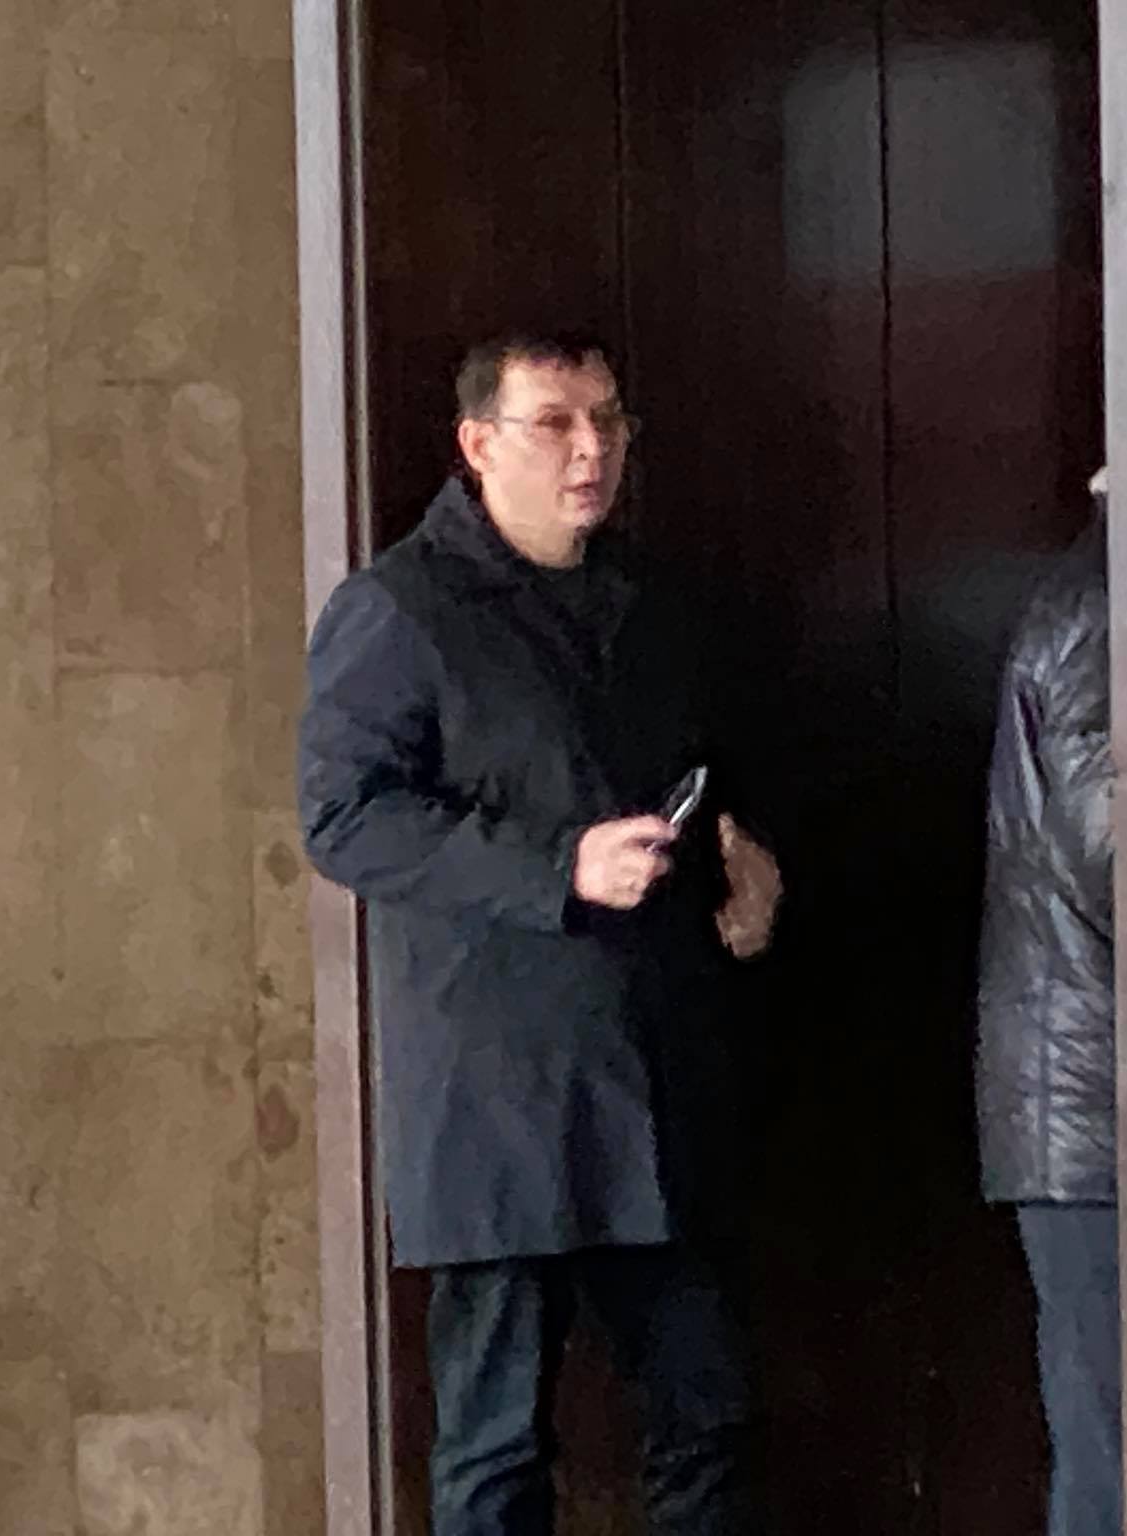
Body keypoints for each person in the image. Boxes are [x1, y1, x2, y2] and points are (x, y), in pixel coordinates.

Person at [297, 331, 782, 1536]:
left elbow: (703, 770)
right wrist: (555, 869)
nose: (589, 450)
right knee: (497, 1445)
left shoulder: (650, 602)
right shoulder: (399, 610)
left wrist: (743, 858)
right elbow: (344, 819)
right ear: (477, 443)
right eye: (554, 423)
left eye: (607, 421)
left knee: (709, 1415)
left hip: (650, 1071)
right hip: (496, 1087)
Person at [975, 466, 1119, 1535]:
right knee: (1119, 1462)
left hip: (1094, 1099)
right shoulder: (1110, 608)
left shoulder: (1108, 593)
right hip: (1098, 1107)